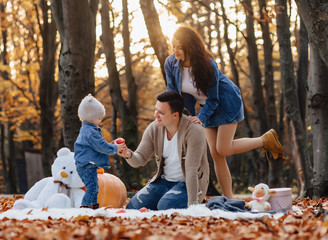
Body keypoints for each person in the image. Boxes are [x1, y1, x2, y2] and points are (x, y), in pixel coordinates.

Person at [164, 25, 284, 199]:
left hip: (226, 102)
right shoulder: (171, 63)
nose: (174, 51)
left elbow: (214, 98)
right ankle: (229, 199)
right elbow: (172, 92)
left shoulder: (207, 63)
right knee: (216, 154)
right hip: (206, 108)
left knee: (223, 149)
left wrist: (201, 118)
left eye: (179, 47)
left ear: (189, 47)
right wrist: (173, 113)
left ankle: (265, 140)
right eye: (173, 46)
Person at [120, 91, 209, 210]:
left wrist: (193, 205)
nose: (155, 115)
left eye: (161, 113)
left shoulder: (194, 131)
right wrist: (127, 154)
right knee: (132, 206)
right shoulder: (154, 128)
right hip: (164, 181)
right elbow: (139, 159)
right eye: (156, 110)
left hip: (188, 184)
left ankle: (173, 200)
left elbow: (191, 170)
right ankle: (165, 198)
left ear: (175, 115)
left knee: (165, 206)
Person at [74, 94, 126, 209]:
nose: (100, 120)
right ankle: (85, 206)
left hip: (87, 165)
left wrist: (110, 145)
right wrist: (115, 148)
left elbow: (98, 145)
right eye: (99, 118)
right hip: (86, 165)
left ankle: (93, 205)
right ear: (91, 117)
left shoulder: (88, 130)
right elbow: (100, 146)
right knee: (92, 187)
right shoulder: (90, 132)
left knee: (94, 186)